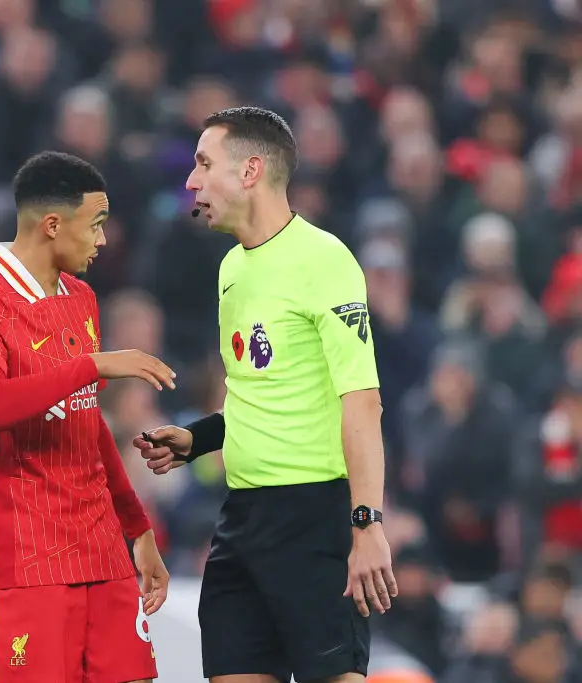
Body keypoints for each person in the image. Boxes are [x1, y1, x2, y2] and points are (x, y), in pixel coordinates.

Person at [134, 107, 398, 683]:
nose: (191, 181)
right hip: (242, 518)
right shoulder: (231, 269)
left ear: (250, 170)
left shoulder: (324, 261)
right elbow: (257, 392)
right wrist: (197, 438)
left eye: (204, 164)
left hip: (316, 517)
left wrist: (367, 523)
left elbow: (362, 400)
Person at [0, 151, 173, 683]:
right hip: (27, 562)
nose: (103, 239)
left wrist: (136, 528)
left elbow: (87, 424)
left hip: (101, 553)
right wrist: (90, 365)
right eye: (95, 224)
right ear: (52, 224)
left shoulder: (83, 299)